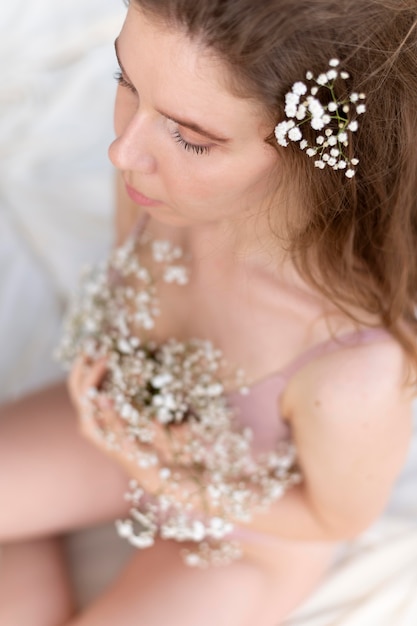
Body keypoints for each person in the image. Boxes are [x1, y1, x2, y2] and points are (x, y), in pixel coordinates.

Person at [1, 0, 417, 624]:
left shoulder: (353, 362)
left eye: (191, 137)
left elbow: (337, 515)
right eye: (126, 82)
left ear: (310, 144)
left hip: (250, 534)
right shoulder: (151, 183)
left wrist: (167, 474)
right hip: (117, 427)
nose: (123, 151)